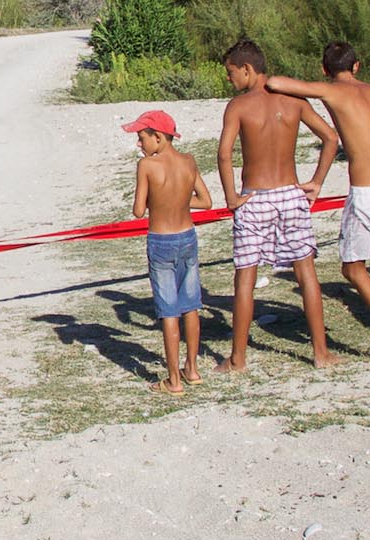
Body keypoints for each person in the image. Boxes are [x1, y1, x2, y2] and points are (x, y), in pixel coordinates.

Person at [267, 41, 370, 359]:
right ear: (357, 65)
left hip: (366, 191)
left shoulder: (332, 91)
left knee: (352, 268)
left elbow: (274, 83)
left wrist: (315, 86)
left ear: (324, 70)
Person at [215, 40, 339, 371]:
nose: (229, 79)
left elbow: (225, 154)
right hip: (289, 192)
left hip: (255, 196)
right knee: (306, 271)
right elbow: (331, 138)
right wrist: (317, 181)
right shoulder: (293, 101)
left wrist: (230, 197)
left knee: (245, 277)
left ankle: (238, 358)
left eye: (230, 73)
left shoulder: (239, 106)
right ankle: (321, 352)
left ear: (246, 69)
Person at [127, 109, 214, 395]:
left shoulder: (147, 167)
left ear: (158, 137)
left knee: (169, 311)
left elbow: (139, 210)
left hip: (161, 240)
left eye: (142, 138)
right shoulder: (188, 161)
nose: (140, 144)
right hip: (187, 236)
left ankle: (173, 379)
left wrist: (159, 202)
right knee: (191, 305)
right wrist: (178, 201)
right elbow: (206, 201)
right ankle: (193, 368)